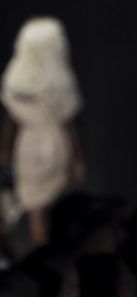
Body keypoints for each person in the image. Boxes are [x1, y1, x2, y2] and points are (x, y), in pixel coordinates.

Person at [0, 18, 85, 246]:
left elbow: (10, 121)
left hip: (28, 144)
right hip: (55, 144)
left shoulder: (15, 81)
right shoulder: (59, 82)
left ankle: (44, 259)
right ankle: (48, 260)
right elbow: (68, 122)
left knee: (37, 209)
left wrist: (5, 152)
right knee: (47, 208)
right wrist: (77, 157)